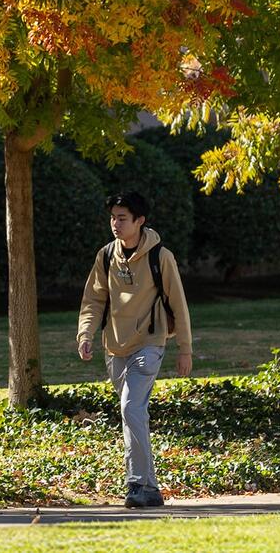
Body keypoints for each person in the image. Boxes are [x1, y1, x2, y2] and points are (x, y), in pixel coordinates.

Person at [74, 191, 194, 509]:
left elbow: (179, 304)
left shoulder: (160, 257)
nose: (115, 223)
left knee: (130, 409)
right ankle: (146, 487)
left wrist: (185, 349)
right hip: (115, 347)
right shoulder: (106, 256)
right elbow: (93, 299)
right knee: (133, 414)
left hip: (149, 343)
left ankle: (140, 484)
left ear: (140, 221)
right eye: (113, 217)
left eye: (122, 218)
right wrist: (85, 334)